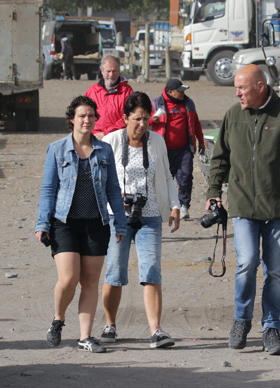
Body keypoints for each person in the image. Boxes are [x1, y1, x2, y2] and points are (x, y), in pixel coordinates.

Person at [206, 65, 280, 355]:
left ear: (260, 86)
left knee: (275, 272)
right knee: (247, 264)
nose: (237, 94)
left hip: (278, 207)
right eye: (236, 88)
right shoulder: (234, 116)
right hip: (243, 206)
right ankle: (241, 321)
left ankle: (271, 328)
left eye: (242, 88)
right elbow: (220, 158)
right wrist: (213, 193)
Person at [35, 95, 127, 353]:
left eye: (91, 115)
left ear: (96, 119)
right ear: (71, 120)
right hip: (64, 223)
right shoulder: (56, 149)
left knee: (90, 281)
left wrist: (120, 223)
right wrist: (42, 224)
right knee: (69, 277)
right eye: (81, 116)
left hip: (96, 223)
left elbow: (112, 189)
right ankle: (58, 319)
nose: (87, 120)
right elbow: (48, 189)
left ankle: (85, 336)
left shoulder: (104, 150)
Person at [100, 91, 181, 348]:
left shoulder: (156, 141)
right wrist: (115, 198)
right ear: (124, 118)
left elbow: (167, 176)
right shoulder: (110, 141)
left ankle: (156, 330)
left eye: (146, 119)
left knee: (152, 272)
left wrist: (175, 206)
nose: (142, 124)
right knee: (114, 272)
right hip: (118, 217)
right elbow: (97, 180)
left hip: (150, 216)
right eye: (136, 119)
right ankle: (109, 324)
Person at [150, 78, 205, 220]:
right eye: (180, 91)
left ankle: (184, 206)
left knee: (186, 177)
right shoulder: (156, 103)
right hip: (164, 150)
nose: (183, 93)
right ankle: (166, 206)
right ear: (170, 92)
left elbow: (196, 123)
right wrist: (152, 120)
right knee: (163, 179)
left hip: (184, 149)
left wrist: (201, 142)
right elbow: (143, 120)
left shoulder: (188, 103)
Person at [85, 55, 134, 140]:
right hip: (94, 138)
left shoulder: (127, 91)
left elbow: (130, 117)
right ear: (102, 71)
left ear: (119, 71)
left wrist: (106, 133)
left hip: (118, 138)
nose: (111, 75)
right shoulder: (92, 91)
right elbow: (84, 115)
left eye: (114, 71)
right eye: (108, 71)